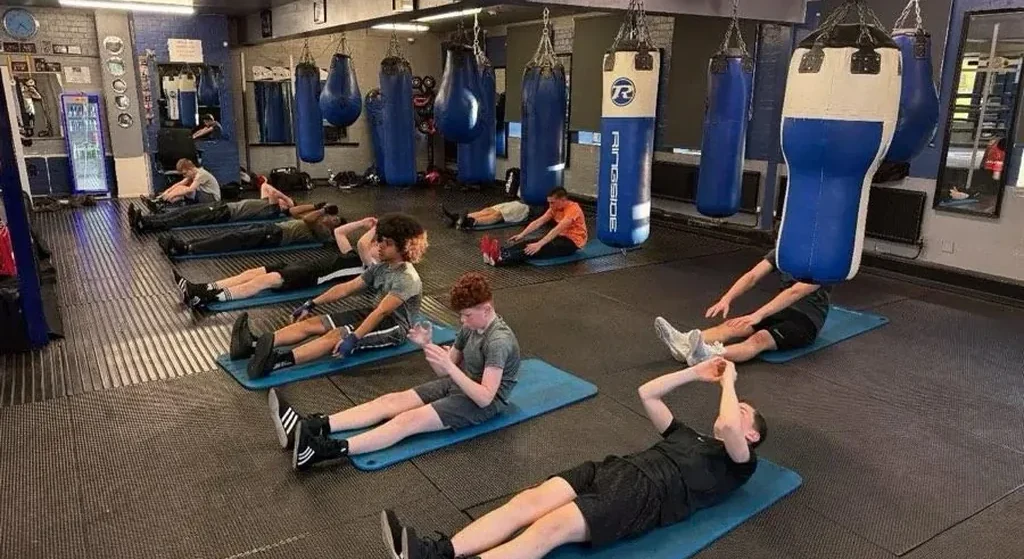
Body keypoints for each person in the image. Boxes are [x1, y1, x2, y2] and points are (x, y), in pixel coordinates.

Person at [382, 357, 765, 559]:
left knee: (548, 529)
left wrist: (730, 384)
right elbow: (647, 393)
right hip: (613, 469)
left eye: (743, 410)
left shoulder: (740, 462)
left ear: (753, 435)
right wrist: (694, 373)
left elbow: (730, 427)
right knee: (527, 502)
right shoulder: (687, 435)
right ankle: (437, 551)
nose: (735, 410)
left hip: (647, 495)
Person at [268, 272, 521, 471]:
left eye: (467, 315)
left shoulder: (498, 341)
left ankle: (323, 451)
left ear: (486, 309)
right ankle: (311, 426)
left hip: (482, 402)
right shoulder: (470, 328)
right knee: (390, 401)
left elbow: (485, 397)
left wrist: (449, 368)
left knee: (406, 421)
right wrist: (427, 346)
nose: (462, 321)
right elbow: (444, 371)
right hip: (461, 384)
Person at [229, 213, 428, 380]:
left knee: (336, 335)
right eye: (381, 240)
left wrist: (353, 338)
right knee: (314, 322)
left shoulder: (407, 278)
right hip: (373, 312)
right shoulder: (382, 268)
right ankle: (252, 345)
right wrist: (311, 303)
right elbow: (347, 288)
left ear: (404, 248)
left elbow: (382, 313)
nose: (379, 247)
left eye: (387, 243)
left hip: (394, 326)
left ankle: (274, 363)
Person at [655, 249, 832, 365]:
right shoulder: (785, 248)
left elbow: (797, 291)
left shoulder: (825, 257)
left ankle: (709, 354)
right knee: (731, 326)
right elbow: (753, 275)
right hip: (781, 308)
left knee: (760, 338)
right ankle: (683, 342)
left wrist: (759, 314)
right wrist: (726, 299)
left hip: (807, 320)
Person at [175, 216, 379, 309]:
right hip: (304, 264)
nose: (376, 245)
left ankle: (209, 298)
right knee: (252, 272)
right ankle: (204, 287)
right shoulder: (351, 254)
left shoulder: (370, 267)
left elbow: (362, 243)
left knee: (263, 281)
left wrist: (376, 230)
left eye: (380, 245)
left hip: (309, 276)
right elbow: (339, 232)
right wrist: (362, 223)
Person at [156, 205, 343, 258]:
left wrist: (322, 211)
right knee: (229, 235)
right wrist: (317, 206)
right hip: (273, 229)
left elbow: (306, 219)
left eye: (334, 221)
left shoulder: (325, 233)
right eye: (331, 217)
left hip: (275, 236)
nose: (329, 219)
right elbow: (294, 212)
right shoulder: (319, 222)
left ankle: (186, 249)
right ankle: (186, 245)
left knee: (233, 239)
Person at [128, 179, 302, 233]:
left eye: (283, 203)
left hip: (225, 214)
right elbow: (265, 186)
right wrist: (288, 199)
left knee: (186, 217)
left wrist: (287, 201)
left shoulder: (272, 210)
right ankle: (145, 219)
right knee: (185, 210)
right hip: (223, 208)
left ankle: (146, 224)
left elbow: (271, 192)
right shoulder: (267, 203)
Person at [480, 187, 587, 266]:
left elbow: (557, 229)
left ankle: (502, 259)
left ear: (563, 200)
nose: (550, 206)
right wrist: (522, 234)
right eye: (549, 203)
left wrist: (539, 244)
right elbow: (538, 222)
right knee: (529, 243)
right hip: (560, 237)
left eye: (552, 203)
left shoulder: (573, 209)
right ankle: (500, 253)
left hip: (573, 243)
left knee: (537, 248)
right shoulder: (554, 208)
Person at [142, 159, 221, 208]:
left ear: (190, 169)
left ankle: (161, 201)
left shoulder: (201, 174)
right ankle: (159, 202)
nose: (184, 176)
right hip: (203, 195)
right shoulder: (192, 173)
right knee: (180, 191)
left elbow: (190, 189)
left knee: (185, 190)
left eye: (185, 173)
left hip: (212, 198)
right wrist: (164, 193)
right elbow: (178, 184)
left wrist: (171, 195)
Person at [440, 198, 531, 231]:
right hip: (519, 202)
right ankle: (458, 218)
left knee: (498, 215)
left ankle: (471, 222)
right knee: (488, 210)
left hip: (528, 207)